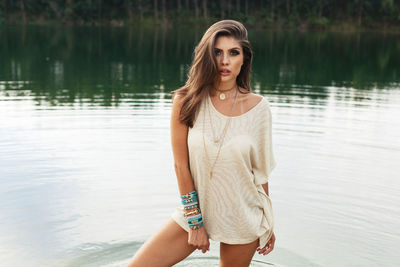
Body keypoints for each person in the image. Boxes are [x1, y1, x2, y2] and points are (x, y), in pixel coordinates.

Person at [127, 19, 277, 267]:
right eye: (217, 52)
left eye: (233, 53)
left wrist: (268, 223)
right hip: (195, 213)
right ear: (207, 56)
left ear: (244, 60)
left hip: (243, 216)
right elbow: (180, 166)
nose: (224, 61)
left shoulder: (258, 108)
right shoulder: (185, 101)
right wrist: (195, 222)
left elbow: (260, 174)